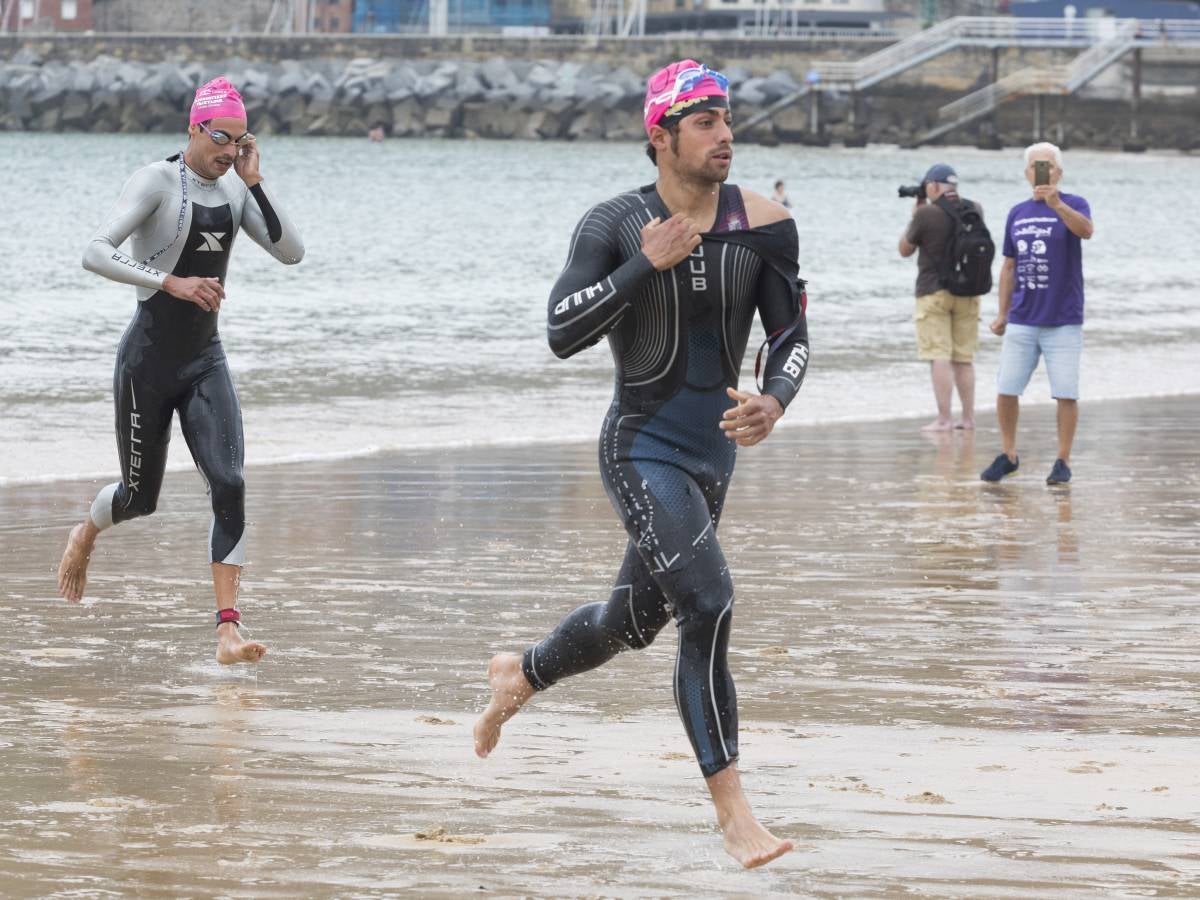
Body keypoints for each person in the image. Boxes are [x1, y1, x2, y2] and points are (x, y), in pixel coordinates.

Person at [472, 59, 809, 869]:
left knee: (633, 623)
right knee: (710, 602)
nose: (725, 133)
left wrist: (774, 400)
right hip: (642, 445)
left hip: (715, 455)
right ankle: (733, 813)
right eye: (704, 121)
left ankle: (521, 672)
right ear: (659, 137)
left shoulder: (766, 223)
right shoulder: (616, 224)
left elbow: (791, 336)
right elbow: (559, 331)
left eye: (727, 118)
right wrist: (642, 266)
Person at [56, 76, 305, 663]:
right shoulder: (157, 180)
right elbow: (95, 251)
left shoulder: (237, 190)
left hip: (204, 360)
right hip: (147, 361)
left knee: (231, 482)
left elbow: (292, 252)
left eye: (241, 141)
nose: (229, 150)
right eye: (221, 138)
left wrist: (256, 181)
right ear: (194, 128)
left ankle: (227, 630)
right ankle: (85, 534)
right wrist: (170, 281)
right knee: (141, 498)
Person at [981, 142, 1092, 484]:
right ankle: (1009, 454)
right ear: (1026, 173)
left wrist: (1057, 205)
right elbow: (1009, 266)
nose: (1039, 172)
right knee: (1006, 388)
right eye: (1033, 166)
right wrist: (1001, 313)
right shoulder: (1017, 213)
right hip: (1022, 317)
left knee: (1066, 392)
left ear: (1059, 171)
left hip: (1063, 319)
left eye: (1046, 166)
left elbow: (1086, 231)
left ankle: (1062, 460)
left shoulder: (1074, 204)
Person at [898, 163, 985, 431]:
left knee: (940, 356)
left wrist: (915, 216)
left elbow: (905, 249)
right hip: (968, 291)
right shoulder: (975, 208)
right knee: (964, 357)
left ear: (933, 186)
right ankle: (968, 419)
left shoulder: (926, 213)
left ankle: (944, 419)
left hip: (933, 291)